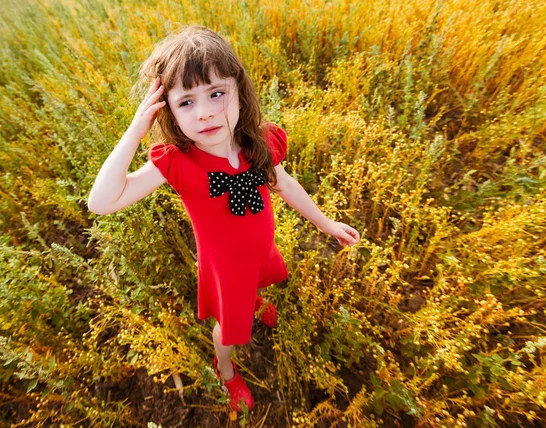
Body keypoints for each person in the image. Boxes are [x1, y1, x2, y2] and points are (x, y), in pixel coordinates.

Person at [87, 25, 360, 412]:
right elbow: (101, 201)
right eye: (186, 102)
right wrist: (134, 132)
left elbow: (286, 185)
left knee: (259, 282)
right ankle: (226, 369)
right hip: (226, 269)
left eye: (217, 93)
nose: (206, 112)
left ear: (239, 89)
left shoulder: (257, 142)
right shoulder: (178, 164)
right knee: (229, 330)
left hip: (260, 250)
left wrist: (325, 223)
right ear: (168, 113)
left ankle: (253, 301)